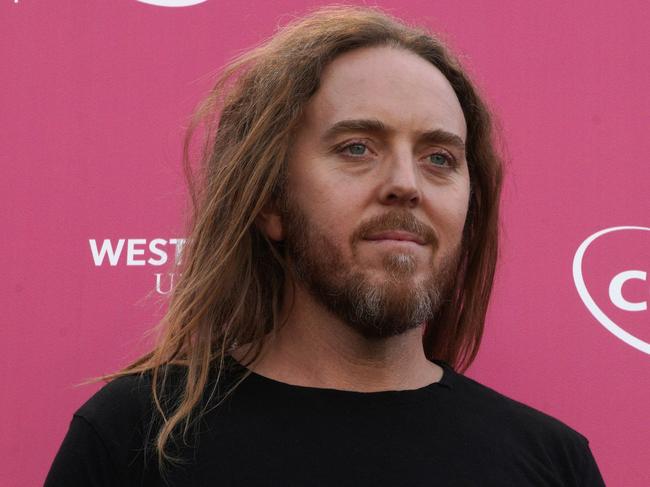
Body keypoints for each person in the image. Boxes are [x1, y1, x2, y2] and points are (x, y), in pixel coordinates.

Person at [45, 5, 605, 486]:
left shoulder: (552, 463)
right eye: (358, 147)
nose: (406, 184)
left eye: (440, 158)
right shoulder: (133, 441)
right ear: (269, 201)